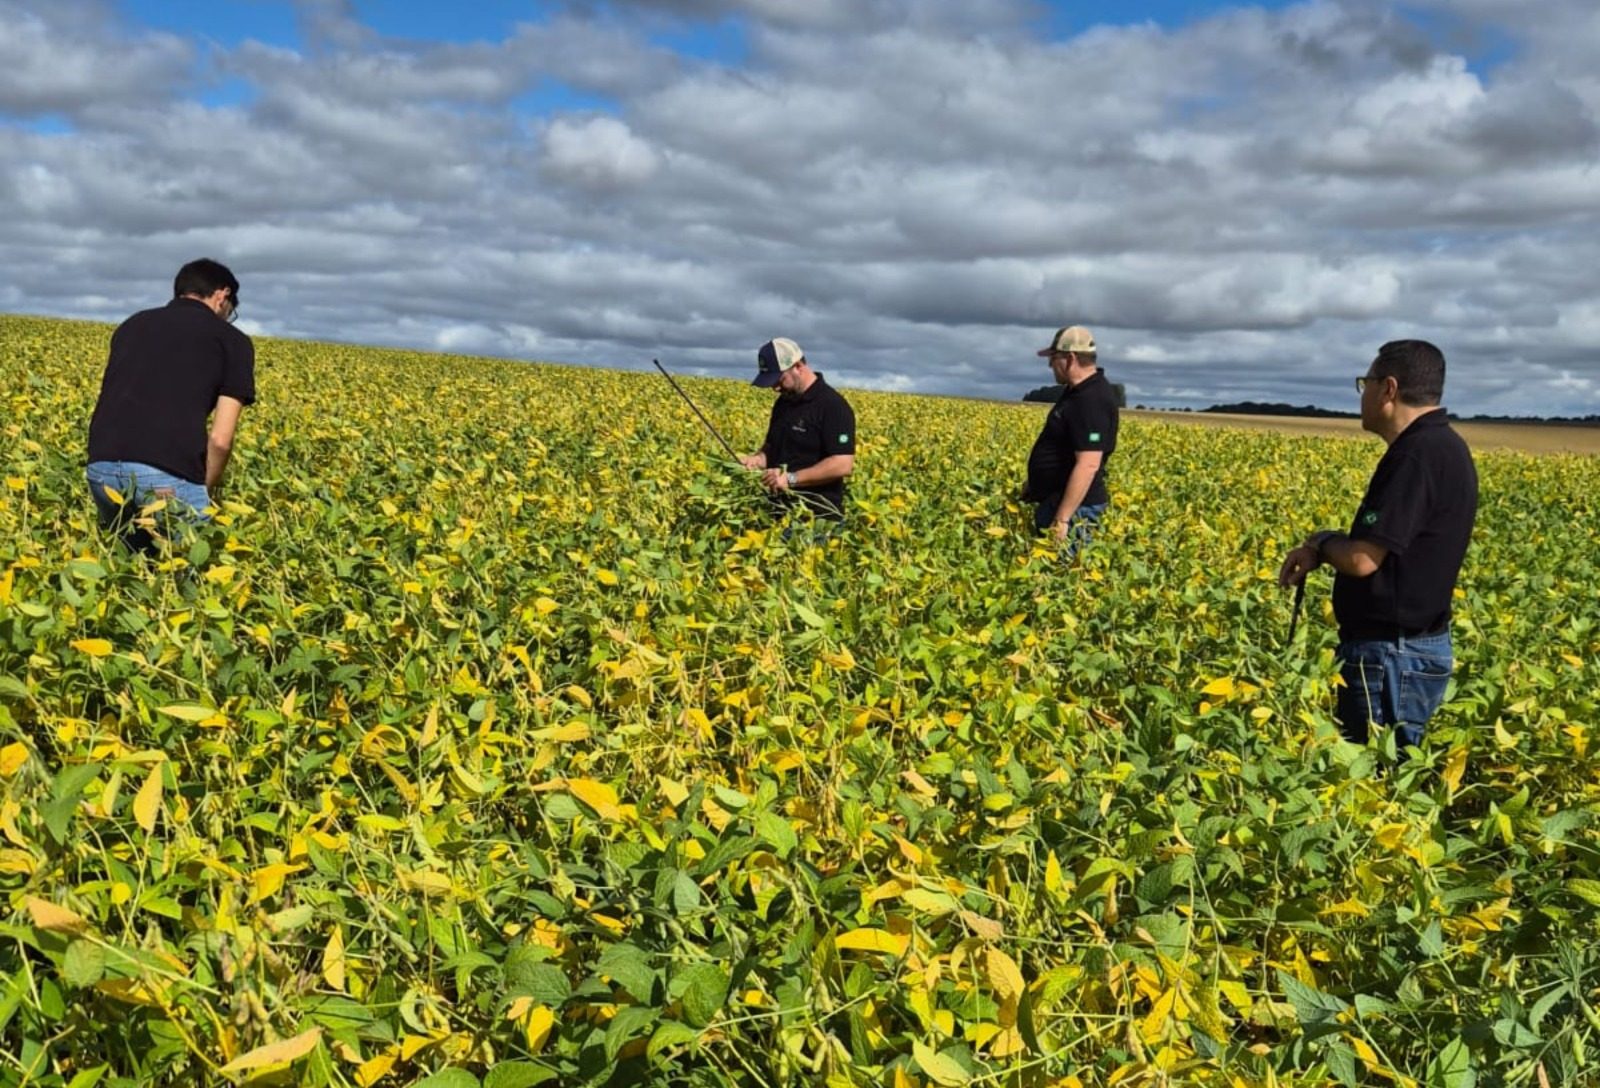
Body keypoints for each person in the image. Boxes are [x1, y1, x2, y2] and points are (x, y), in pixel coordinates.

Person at [1277, 339, 1478, 750]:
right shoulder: (1441, 446)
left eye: (1364, 383)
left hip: (1391, 656)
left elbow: (1362, 559)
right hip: (1406, 650)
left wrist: (1322, 542)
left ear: (1388, 389)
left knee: (1375, 783)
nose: (1361, 394)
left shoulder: (1417, 456)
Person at [85, 258, 256, 551]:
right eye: (231, 310)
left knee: (131, 573)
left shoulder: (131, 325)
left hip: (101, 470)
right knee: (191, 579)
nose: (229, 316)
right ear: (222, 296)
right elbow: (221, 439)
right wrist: (207, 490)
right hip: (165, 477)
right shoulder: (231, 340)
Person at [1021, 325, 1119, 552]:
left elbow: (1088, 464)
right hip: (1058, 501)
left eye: (1053, 358)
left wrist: (1063, 519)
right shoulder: (1077, 392)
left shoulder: (1091, 400)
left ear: (1070, 358)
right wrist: (1036, 484)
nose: (1049, 365)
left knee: (1060, 573)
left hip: (1076, 511)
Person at [738, 337, 856, 523]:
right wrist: (756, 460)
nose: (775, 388)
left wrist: (791, 479)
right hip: (778, 513)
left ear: (798, 366)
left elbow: (842, 464)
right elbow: (772, 448)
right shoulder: (784, 403)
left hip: (816, 520)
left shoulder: (833, 406)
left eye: (779, 379)